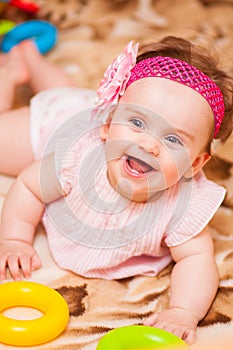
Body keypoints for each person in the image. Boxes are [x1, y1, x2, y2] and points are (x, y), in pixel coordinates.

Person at [0, 36, 232, 345]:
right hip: (52, 123)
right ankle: (12, 73)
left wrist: (182, 311)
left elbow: (196, 259)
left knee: (66, 92)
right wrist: (14, 238)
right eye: (137, 122)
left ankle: (31, 58)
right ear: (108, 124)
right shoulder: (77, 158)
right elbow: (29, 186)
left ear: (195, 164)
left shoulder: (183, 203)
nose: (148, 144)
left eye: (173, 139)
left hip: (80, 104)